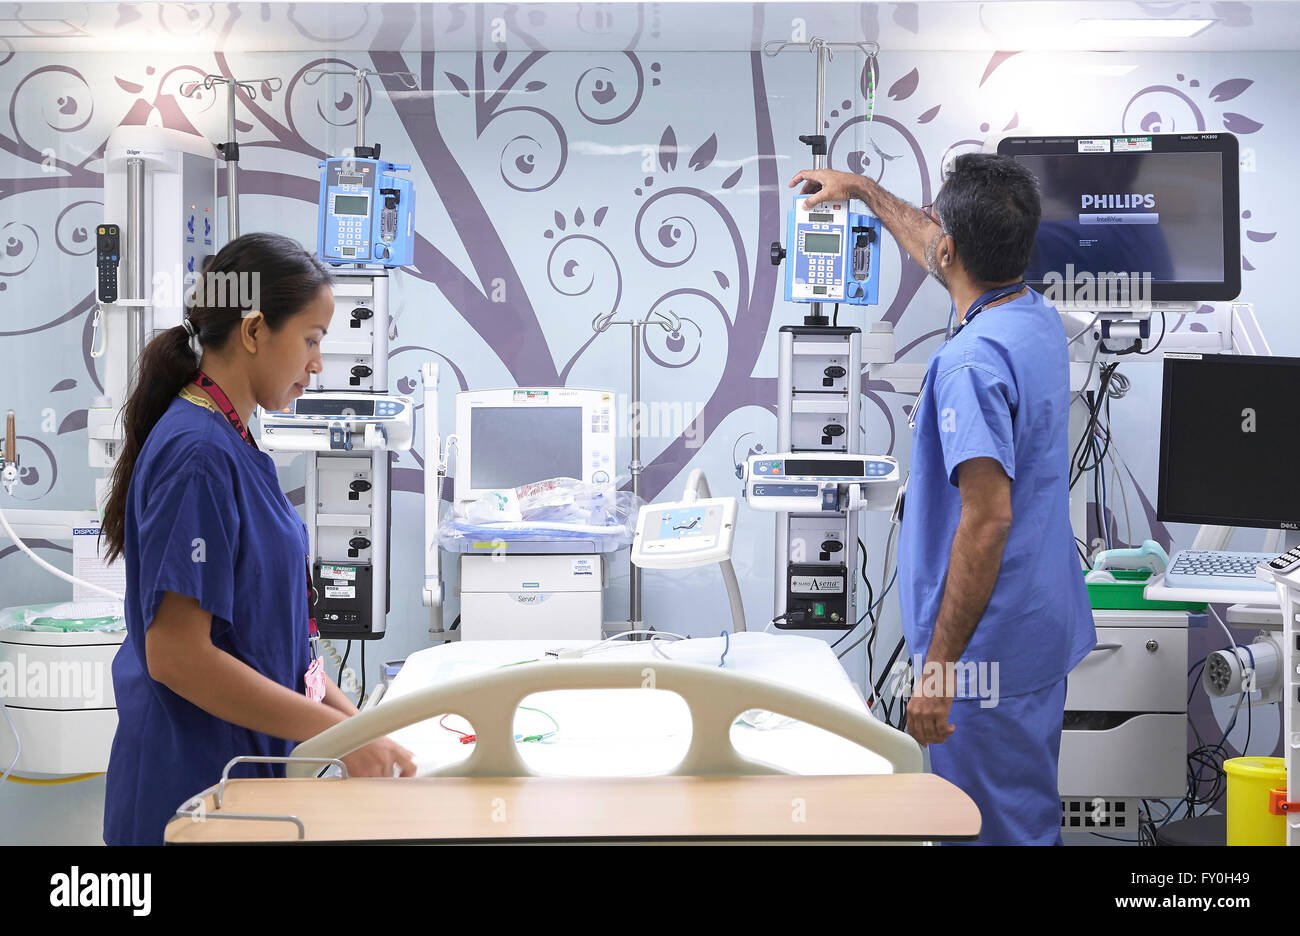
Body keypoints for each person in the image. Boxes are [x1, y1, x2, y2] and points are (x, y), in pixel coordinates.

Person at [790, 155, 1096, 845]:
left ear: (952, 248)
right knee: (1021, 811)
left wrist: (937, 671)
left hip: (985, 651)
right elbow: (931, 244)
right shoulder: (1037, 319)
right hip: (1037, 627)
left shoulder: (968, 364)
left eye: (936, 224)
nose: (927, 230)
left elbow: (986, 524)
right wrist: (863, 191)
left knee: (991, 830)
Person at [100, 232, 414, 846]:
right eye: (312, 340)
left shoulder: (238, 442)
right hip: (191, 791)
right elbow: (178, 655)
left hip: (247, 784)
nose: (317, 364)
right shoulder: (197, 454)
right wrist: (342, 740)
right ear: (252, 331)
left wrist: (359, 725)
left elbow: (282, 648)